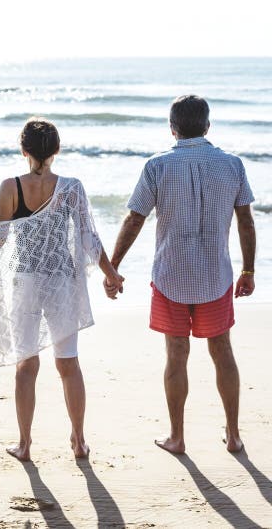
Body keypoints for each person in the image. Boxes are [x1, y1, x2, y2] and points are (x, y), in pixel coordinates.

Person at [0, 118, 123, 462]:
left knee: (26, 365)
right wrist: (111, 274)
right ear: (57, 150)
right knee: (69, 366)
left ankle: (25, 444)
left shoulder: (9, 187)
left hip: (26, 280)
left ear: (24, 150)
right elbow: (89, 238)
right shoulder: (72, 187)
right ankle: (79, 440)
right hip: (61, 280)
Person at [106, 95, 256, 454]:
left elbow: (135, 218)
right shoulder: (232, 165)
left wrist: (113, 267)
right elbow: (245, 221)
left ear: (172, 128)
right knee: (222, 351)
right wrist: (248, 269)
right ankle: (233, 435)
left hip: (171, 276)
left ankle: (177, 437)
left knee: (176, 354)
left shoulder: (157, 166)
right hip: (216, 276)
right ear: (207, 126)